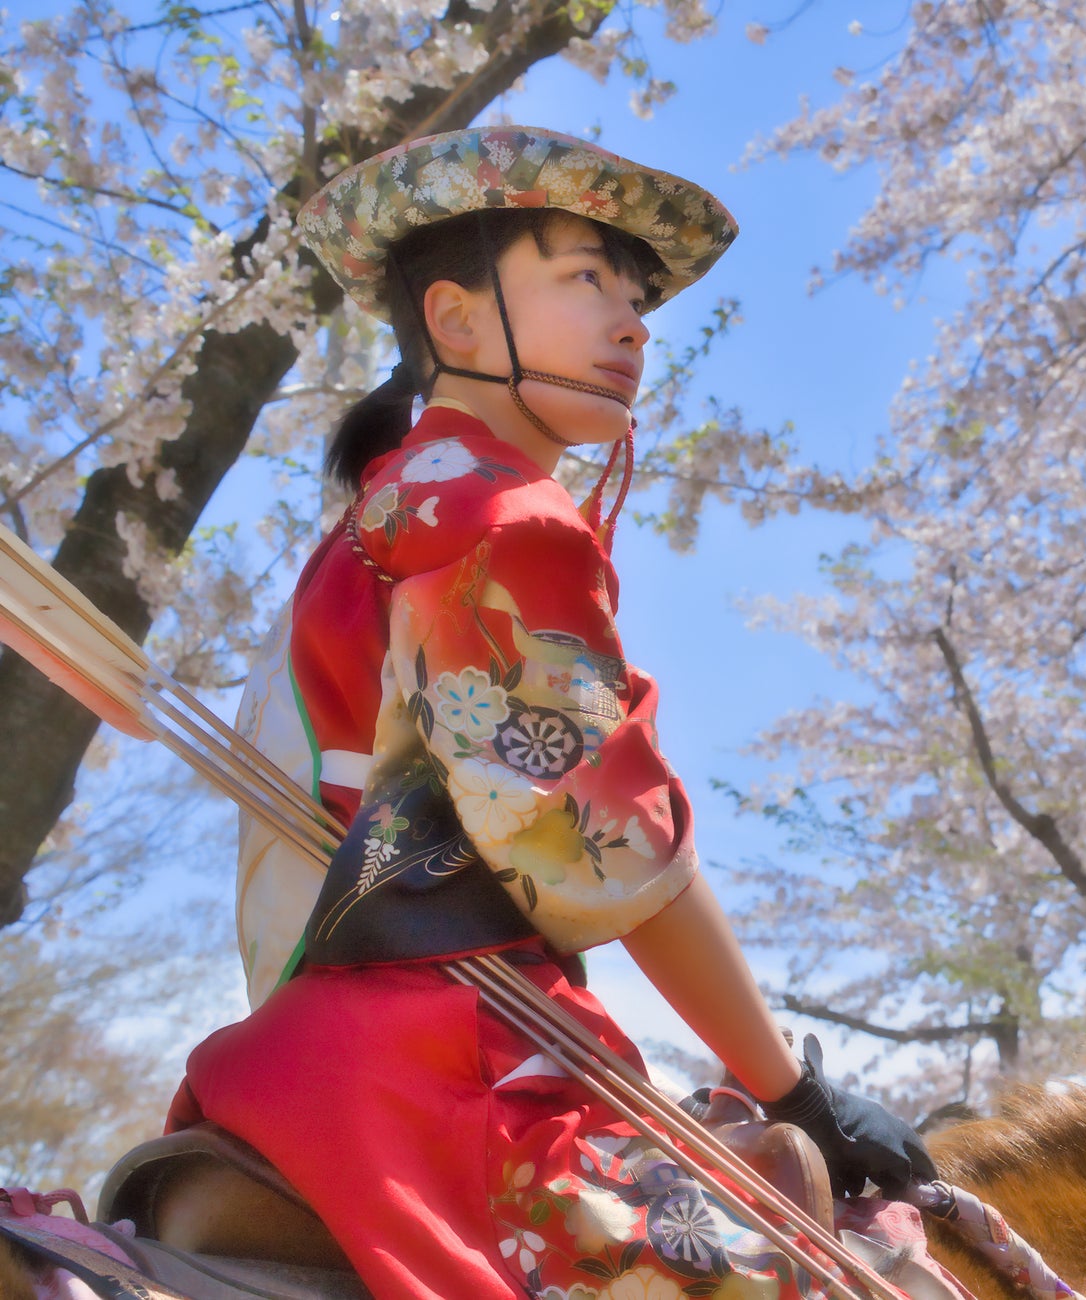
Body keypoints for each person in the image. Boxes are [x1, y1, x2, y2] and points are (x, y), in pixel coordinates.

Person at [165, 125, 950, 1300]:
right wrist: (795, 1089)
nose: (633, 323)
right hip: (451, 1073)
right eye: (586, 279)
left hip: (307, 1053)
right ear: (458, 321)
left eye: (637, 298)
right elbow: (609, 855)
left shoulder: (389, 511)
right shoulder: (499, 519)